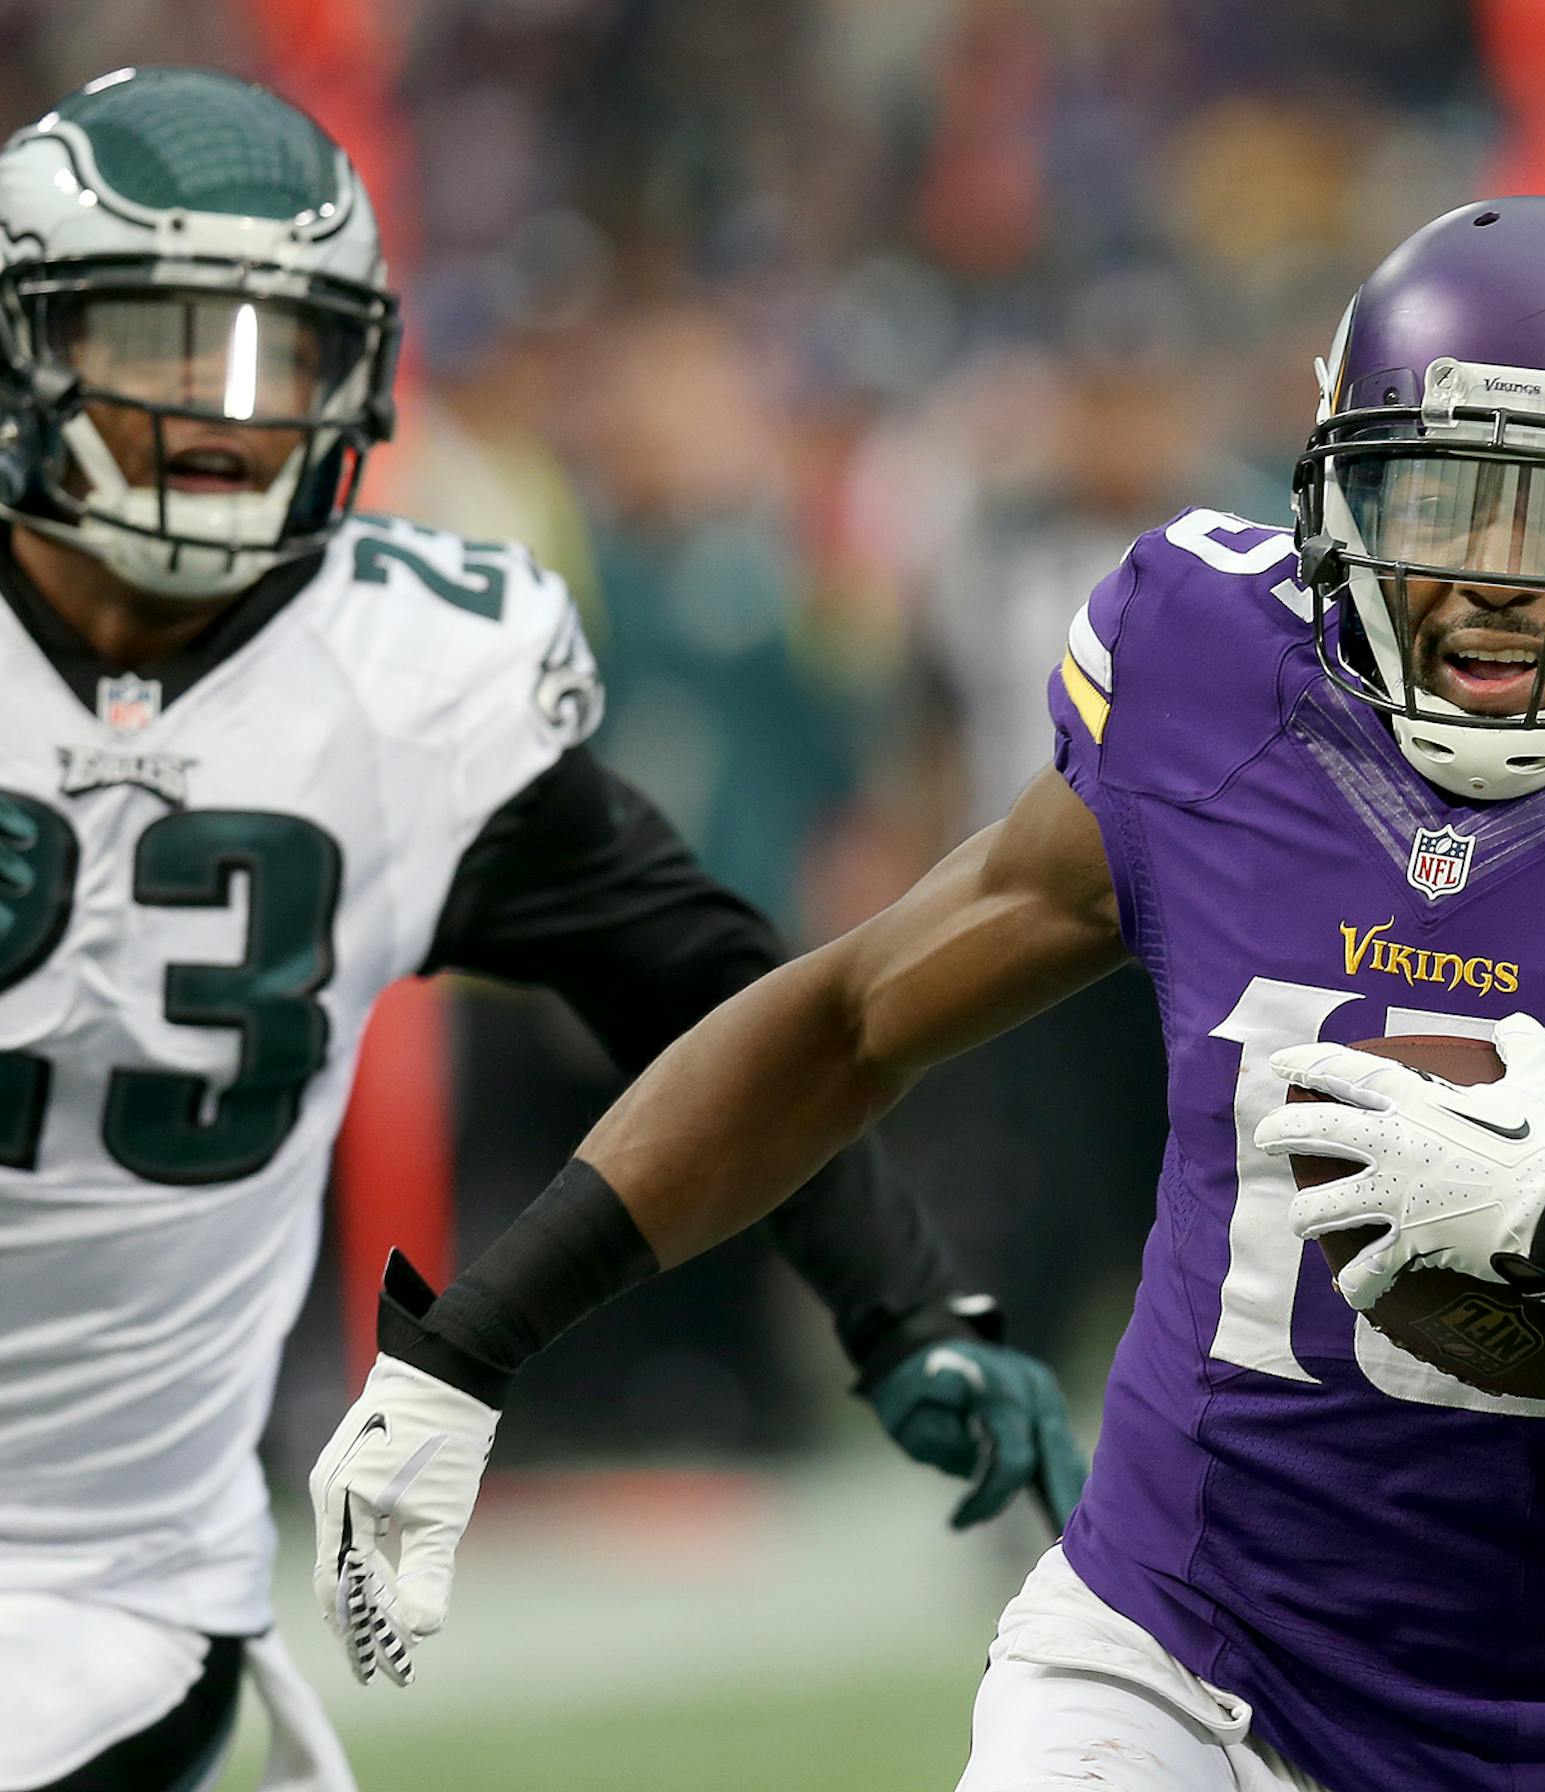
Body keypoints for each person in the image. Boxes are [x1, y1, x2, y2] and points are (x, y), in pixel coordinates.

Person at [310, 198, 1545, 1791]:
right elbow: (843, 1019)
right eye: (1438, 498)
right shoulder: (1216, 678)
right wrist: (472, 1341)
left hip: (1538, 1730)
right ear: (1337, 486)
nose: (1497, 573)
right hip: (1156, 1649)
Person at [0, 67, 1084, 1792]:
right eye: (158, 344)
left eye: (275, 353)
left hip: (111, 1585)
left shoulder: (397, 675)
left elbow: (718, 998)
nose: (223, 413)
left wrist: (898, 1303)